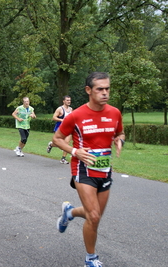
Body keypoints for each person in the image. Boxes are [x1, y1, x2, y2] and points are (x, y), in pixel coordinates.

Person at [53, 72, 125, 267]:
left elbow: (120, 133)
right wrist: (75, 151)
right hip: (83, 170)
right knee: (93, 216)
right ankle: (91, 259)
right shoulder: (76, 115)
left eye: (107, 89)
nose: (105, 93)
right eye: (99, 89)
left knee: (95, 215)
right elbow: (57, 139)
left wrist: (120, 141)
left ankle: (69, 212)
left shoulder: (115, 113)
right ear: (88, 90)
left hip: (105, 170)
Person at [47, 95, 73, 164]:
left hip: (68, 128)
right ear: (64, 101)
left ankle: (63, 159)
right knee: (59, 143)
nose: (69, 101)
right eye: (67, 100)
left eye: (69, 100)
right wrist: (62, 120)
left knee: (66, 143)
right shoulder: (60, 109)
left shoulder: (71, 109)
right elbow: (54, 117)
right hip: (60, 128)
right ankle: (51, 145)